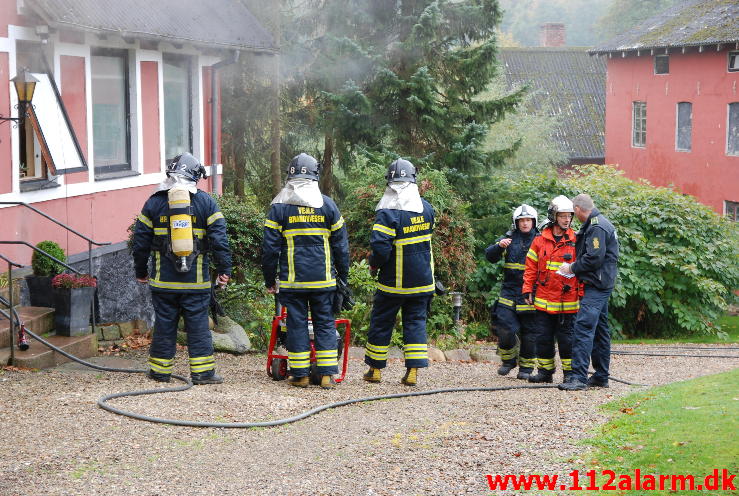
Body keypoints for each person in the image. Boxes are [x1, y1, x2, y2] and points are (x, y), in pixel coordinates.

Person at [133, 153, 232, 385]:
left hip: (163, 282)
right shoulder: (206, 202)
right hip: (195, 282)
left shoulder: (154, 202)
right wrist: (224, 269)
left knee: (165, 324)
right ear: (195, 176)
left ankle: (159, 372)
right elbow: (219, 241)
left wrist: (140, 271)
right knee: (198, 326)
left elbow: (140, 243)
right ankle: (203, 374)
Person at [262, 153, 349, 389]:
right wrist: (343, 276)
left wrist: (270, 279)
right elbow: (341, 246)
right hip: (323, 282)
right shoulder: (328, 205)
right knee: (324, 324)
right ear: (315, 176)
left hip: (293, 282)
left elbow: (269, 248)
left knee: (296, 325)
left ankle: (299, 375)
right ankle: (327, 375)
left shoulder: (280, 208)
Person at [363, 159, 435, 387]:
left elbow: (381, 249)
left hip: (393, 283)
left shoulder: (387, 212)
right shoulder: (427, 208)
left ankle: (374, 370)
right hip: (423, 281)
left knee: (381, 322)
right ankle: (412, 372)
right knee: (415, 322)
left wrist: (373, 264)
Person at [559, 194, 619, 391]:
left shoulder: (597, 227)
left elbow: (594, 258)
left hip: (597, 285)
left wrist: (572, 268)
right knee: (601, 331)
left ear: (577, 209)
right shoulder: (598, 224)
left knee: (583, 328)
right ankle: (601, 376)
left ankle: (578, 377)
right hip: (601, 283)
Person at [522, 195, 579, 384]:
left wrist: (582, 294)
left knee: (567, 340)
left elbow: (583, 269)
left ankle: (570, 374)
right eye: (563, 216)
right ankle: (545, 373)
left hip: (567, 301)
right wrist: (527, 289)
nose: (567, 219)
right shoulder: (539, 240)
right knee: (543, 338)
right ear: (554, 216)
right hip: (544, 300)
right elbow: (530, 267)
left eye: (569, 216)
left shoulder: (576, 240)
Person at [485, 204, 538, 379]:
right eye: (521, 220)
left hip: (530, 292)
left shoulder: (540, 240)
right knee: (505, 327)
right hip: (509, 292)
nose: (525, 223)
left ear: (534, 222)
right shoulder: (507, 239)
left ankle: (526, 368)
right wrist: (499, 246)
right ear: (516, 222)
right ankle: (508, 361)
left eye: (528, 220)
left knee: (529, 332)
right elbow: (490, 257)